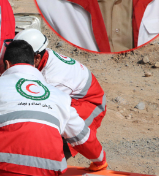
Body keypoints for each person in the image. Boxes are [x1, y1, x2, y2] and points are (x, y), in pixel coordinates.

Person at [0, 40, 108, 176]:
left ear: (6, 63)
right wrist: (100, 160)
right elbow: (82, 137)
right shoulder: (60, 96)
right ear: (34, 62)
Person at [12, 29, 106, 158]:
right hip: (73, 93)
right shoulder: (42, 57)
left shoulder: (52, 79)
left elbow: (48, 107)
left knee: (66, 135)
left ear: (37, 57)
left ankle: (94, 159)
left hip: (90, 101)